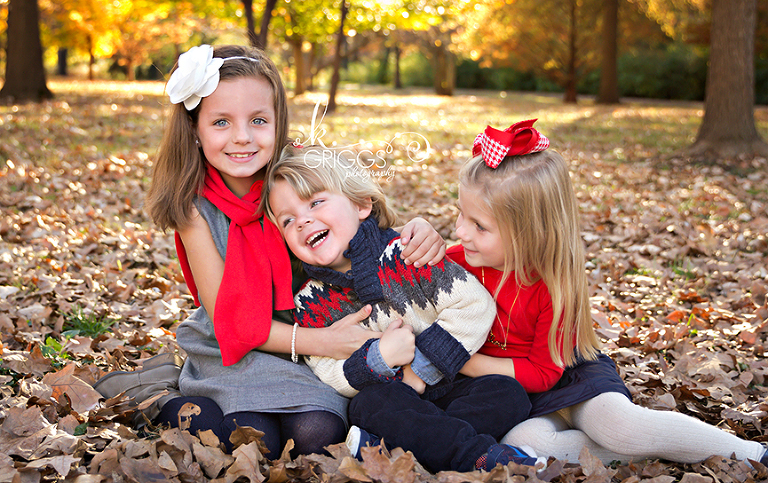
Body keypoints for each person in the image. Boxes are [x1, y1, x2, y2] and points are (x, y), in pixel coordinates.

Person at [94, 44, 446, 459]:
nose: (242, 137)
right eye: (221, 122)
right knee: (248, 438)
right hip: (236, 346)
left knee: (318, 434)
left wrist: (413, 229)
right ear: (194, 128)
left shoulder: (296, 178)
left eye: (258, 120)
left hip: (313, 332)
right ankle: (156, 395)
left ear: (279, 123)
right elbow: (232, 321)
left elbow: (356, 223)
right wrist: (324, 343)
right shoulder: (194, 210)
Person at [450, 119, 768, 466]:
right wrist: (413, 230)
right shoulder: (457, 262)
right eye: (461, 215)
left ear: (531, 233)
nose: (459, 231)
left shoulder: (552, 285)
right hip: (513, 394)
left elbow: (543, 373)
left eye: (479, 225)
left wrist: (455, 357)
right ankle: (663, 447)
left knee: (619, 427)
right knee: (524, 441)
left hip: (568, 372)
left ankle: (757, 454)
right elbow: (393, 259)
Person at [264, 145, 541, 474]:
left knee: (507, 393)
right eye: (288, 219)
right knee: (372, 404)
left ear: (361, 204)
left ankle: (388, 449)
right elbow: (329, 373)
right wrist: (378, 357)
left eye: (316, 202)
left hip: (445, 386)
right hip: (388, 401)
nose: (303, 220)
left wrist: (419, 369)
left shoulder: (407, 252)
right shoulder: (309, 301)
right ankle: (477, 455)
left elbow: (474, 307)